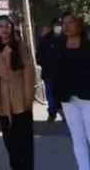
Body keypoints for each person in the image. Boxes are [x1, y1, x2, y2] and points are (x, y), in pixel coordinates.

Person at [0, 14, 35, 170]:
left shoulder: (21, 47)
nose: (4, 29)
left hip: (19, 94)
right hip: (2, 96)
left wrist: (29, 96)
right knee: (9, 139)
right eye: (0, 26)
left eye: (7, 26)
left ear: (12, 27)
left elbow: (29, 72)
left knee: (24, 139)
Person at [54, 12, 90, 170]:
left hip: (88, 97)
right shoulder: (59, 45)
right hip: (68, 99)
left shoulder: (88, 43)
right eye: (64, 23)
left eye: (71, 23)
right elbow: (54, 72)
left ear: (79, 25)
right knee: (77, 139)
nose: (67, 26)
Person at [37, 19, 63, 123]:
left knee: (63, 93)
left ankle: (63, 112)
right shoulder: (45, 40)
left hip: (64, 73)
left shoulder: (65, 38)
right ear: (52, 26)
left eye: (60, 25)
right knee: (51, 94)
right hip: (49, 72)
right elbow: (39, 56)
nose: (59, 27)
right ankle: (52, 113)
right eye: (57, 25)